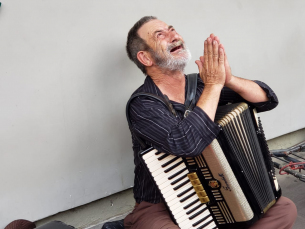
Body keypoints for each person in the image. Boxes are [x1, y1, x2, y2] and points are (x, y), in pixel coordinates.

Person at [124, 16, 297, 229]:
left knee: (285, 209)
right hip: (161, 205)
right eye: (161, 35)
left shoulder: (200, 85)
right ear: (146, 58)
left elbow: (266, 99)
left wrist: (229, 80)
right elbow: (187, 144)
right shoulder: (143, 104)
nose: (174, 36)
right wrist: (214, 85)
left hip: (220, 192)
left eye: (172, 30)